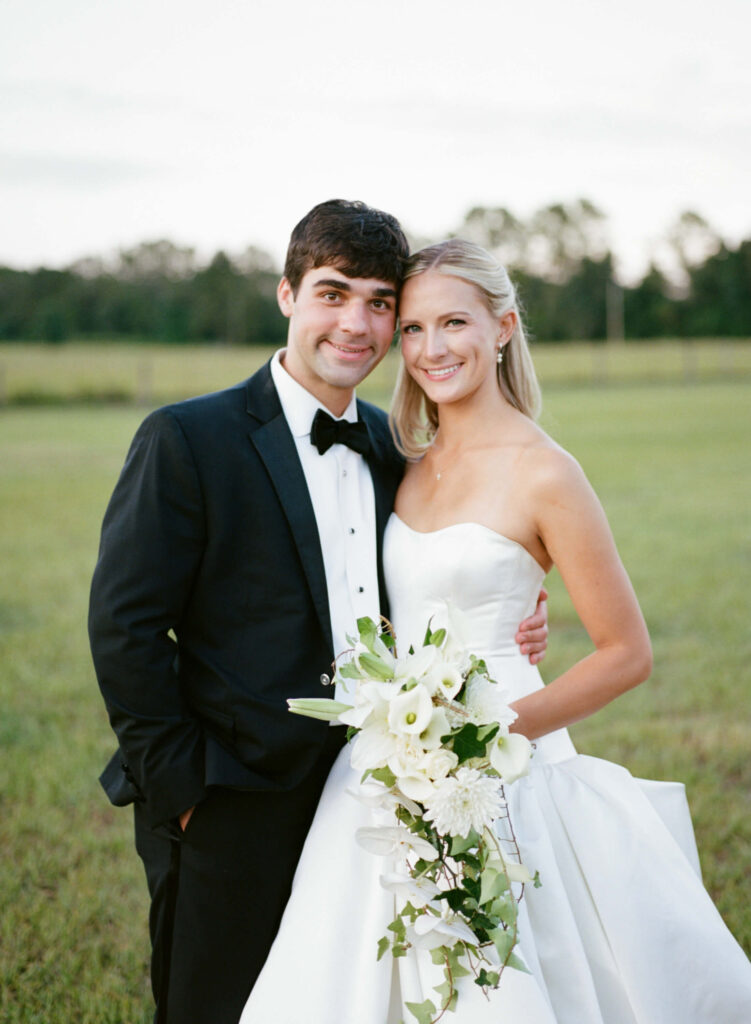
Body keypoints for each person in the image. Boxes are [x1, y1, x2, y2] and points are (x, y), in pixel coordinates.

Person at [240, 239, 751, 1023]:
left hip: (503, 757)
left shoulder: (545, 471)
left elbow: (626, 654)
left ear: (503, 326)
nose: (431, 348)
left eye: (454, 322)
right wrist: (410, 733)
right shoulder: (406, 459)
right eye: (412, 328)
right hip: (388, 760)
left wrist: (479, 736)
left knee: (496, 968)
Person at [88, 204, 549, 1024]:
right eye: (332, 294)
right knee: (213, 1005)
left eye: (379, 303)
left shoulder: (392, 446)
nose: (355, 324)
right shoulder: (188, 438)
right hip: (231, 795)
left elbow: (432, 577)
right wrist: (186, 792)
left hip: (374, 791)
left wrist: (514, 606)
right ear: (287, 295)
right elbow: (125, 628)